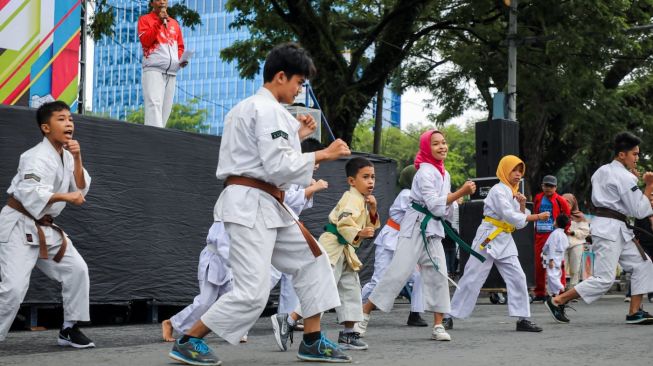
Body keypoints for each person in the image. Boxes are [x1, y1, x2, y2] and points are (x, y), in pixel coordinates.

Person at [167, 43, 352, 366]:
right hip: (251, 203)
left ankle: (312, 339)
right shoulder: (265, 110)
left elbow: (268, 159)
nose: (299, 89)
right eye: (298, 82)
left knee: (314, 260)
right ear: (280, 76)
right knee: (252, 292)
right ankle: (189, 340)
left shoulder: (256, 110)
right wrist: (324, 153)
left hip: (266, 203)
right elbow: (279, 166)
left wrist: (297, 133)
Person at [161, 139, 327, 343]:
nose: (316, 165)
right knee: (207, 301)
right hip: (219, 259)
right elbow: (222, 241)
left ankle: (230, 330)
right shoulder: (232, 208)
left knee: (246, 293)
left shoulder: (282, 180)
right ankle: (176, 326)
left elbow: (289, 204)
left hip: (253, 248)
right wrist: (311, 188)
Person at [360, 130, 476, 342]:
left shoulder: (445, 174)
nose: (442, 146)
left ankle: (438, 325)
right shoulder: (424, 172)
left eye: (444, 142)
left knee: (439, 275)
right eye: (435, 144)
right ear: (426, 148)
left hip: (433, 231)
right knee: (397, 273)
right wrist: (460, 192)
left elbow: (443, 209)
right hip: (414, 228)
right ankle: (364, 314)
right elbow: (434, 204)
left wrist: (454, 200)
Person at [0, 101, 94, 348]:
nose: (69, 123)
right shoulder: (34, 157)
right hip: (19, 226)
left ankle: (69, 328)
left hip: (44, 227)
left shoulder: (67, 154)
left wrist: (77, 156)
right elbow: (31, 194)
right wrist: (66, 196)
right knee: (13, 290)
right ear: (46, 127)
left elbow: (81, 188)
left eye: (70, 119)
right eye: (61, 119)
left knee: (77, 270)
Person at [272, 157, 379, 352]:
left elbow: (367, 227)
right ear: (351, 181)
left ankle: (348, 334)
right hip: (332, 246)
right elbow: (345, 222)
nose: (371, 181)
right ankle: (289, 319)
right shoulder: (351, 198)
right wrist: (359, 232)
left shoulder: (362, 200)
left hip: (345, 249)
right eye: (365, 177)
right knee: (322, 288)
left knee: (350, 288)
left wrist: (373, 210)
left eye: (372, 177)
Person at [546, 132, 653, 325]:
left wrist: (634, 185)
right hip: (610, 229)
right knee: (604, 279)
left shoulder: (602, 171)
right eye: (635, 154)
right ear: (622, 155)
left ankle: (635, 312)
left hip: (614, 227)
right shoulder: (624, 177)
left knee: (643, 265)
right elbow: (638, 210)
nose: (637, 158)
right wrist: (648, 186)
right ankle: (558, 300)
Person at [443, 155, 547, 333]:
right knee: (472, 276)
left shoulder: (514, 193)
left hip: (505, 239)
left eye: (520, 171)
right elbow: (509, 215)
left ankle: (523, 318)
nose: (517, 174)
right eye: (514, 170)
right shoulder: (498, 190)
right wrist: (535, 216)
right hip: (489, 236)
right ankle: (448, 316)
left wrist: (522, 205)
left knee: (518, 277)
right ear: (505, 170)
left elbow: (519, 222)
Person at [360, 165, 428, 328]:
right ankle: (354, 310)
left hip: (405, 241)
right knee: (378, 280)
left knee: (418, 277)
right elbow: (422, 213)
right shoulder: (407, 195)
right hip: (391, 239)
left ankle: (415, 313)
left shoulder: (416, 196)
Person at [138, 0, 187, 128]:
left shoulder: (174, 23)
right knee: (154, 105)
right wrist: (159, 22)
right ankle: (155, 140)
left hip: (172, 72)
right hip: (154, 69)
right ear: (152, 3)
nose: (162, 2)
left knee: (166, 110)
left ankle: (157, 139)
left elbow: (180, 46)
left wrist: (180, 59)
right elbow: (145, 41)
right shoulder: (145, 20)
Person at [533, 175, 571, 301]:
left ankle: (560, 291)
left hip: (554, 236)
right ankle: (540, 293)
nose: (548, 188)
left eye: (551, 186)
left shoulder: (561, 200)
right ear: (542, 186)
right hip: (540, 236)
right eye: (546, 185)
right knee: (540, 265)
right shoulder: (538, 198)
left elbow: (567, 218)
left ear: (556, 187)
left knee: (557, 264)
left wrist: (560, 233)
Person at [562, 193, 590, 288]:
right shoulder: (558, 215)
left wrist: (573, 232)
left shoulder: (580, 216)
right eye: (564, 202)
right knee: (561, 268)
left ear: (573, 203)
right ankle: (560, 289)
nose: (566, 205)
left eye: (568, 203)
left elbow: (585, 231)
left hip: (576, 244)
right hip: (561, 245)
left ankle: (573, 290)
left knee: (575, 268)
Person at [542, 214, 571, 296]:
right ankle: (555, 293)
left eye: (555, 220)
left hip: (553, 256)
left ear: (557, 223)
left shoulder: (555, 233)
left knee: (552, 275)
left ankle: (561, 288)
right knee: (556, 274)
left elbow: (551, 246)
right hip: (559, 256)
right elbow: (566, 246)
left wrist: (551, 260)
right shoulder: (563, 235)